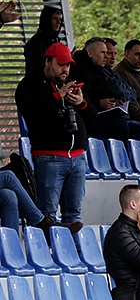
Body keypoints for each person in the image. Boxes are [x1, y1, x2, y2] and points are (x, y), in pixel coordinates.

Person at [15, 43, 96, 224]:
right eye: (61, 65)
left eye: (68, 65)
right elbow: (31, 112)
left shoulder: (72, 84)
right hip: (49, 157)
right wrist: (57, 96)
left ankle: (72, 251)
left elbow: (92, 116)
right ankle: (45, 251)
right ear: (47, 62)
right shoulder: (30, 84)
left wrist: (81, 102)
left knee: (74, 215)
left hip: (77, 157)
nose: (65, 70)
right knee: (47, 214)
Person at [23, 6, 63, 76]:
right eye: (55, 18)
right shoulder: (35, 44)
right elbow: (37, 70)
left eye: (60, 19)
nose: (58, 22)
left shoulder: (55, 41)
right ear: (47, 20)